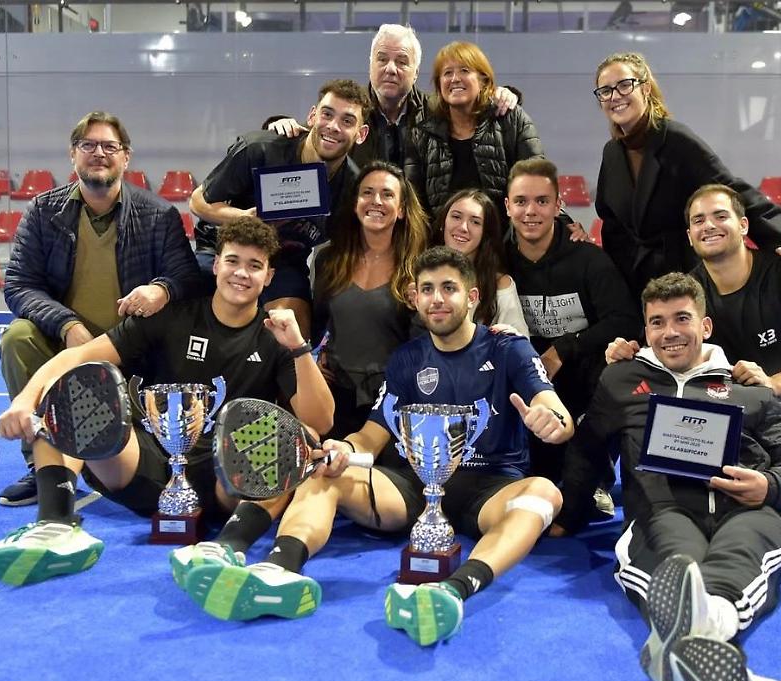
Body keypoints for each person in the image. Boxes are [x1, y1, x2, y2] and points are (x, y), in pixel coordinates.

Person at [181, 247, 574, 647]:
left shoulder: (508, 349)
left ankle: (453, 590)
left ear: (471, 298)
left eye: (449, 288)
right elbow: (371, 437)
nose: (437, 299)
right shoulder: (406, 359)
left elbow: (555, 411)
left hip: (489, 487)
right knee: (323, 471)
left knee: (544, 493)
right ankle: (279, 571)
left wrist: (551, 422)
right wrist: (343, 449)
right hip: (410, 485)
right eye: (427, 289)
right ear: (415, 298)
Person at [0, 217, 334, 587]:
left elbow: (322, 421)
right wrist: (25, 399)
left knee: (299, 438)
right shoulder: (171, 316)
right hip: (143, 462)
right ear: (216, 265)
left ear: (269, 276)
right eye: (232, 261)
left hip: (226, 481)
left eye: (254, 265)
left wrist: (298, 347)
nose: (241, 273)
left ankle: (228, 546)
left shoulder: (275, 336)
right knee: (73, 386)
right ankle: (56, 525)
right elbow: (77, 357)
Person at [562, 272, 781, 681]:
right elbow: (588, 450)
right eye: (657, 322)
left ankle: (692, 631)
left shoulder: (749, 388)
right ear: (645, 329)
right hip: (663, 510)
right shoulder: (620, 381)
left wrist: (768, 486)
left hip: (748, 510)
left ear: (706, 326)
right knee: (679, 562)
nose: (669, 332)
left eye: (682, 318)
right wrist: (565, 514)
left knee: (742, 547)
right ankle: (714, 639)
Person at [609, 185, 781, 533]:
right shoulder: (691, 292)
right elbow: (666, 348)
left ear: (743, 226)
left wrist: (773, 385)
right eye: (698, 220)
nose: (709, 225)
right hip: (743, 410)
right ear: (690, 235)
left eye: (720, 216)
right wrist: (626, 352)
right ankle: (779, 471)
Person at [0, 111, 208, 509]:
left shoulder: (159, 215)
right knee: (17, 337)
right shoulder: (43, 211)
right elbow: (19, 284)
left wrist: (161, 289)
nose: (99, 154)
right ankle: (44, 465)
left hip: (133, 349)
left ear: (126, 157)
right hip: (64, 343)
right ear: (72, 155)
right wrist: (67, 325)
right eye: (88, 146)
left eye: (110, 146)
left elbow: (189, 278)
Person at [592, 51, 781, 303]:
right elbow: (611, 221)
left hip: (684, 279)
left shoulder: (677, 139)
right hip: (633, 283)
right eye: (605, 90)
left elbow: (729, 190)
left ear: (645, 89)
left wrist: (780, 238)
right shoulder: (611, 152)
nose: (615, 96)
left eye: (625, 85)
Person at [503, 158, 639, 522]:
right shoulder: (496, 260)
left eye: (542, 201)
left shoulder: (589, 259)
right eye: (521, 201)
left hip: (584, 374)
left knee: (617, 375)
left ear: (558, 204)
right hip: (525, 378)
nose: (531, 211)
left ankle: (597, 476)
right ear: (507, 206)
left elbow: (624, 319)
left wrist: (564, 347)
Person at [188, 79, 372, 338]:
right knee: (188, 316)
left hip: (284, 263)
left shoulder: (353, 188)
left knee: (294, 336)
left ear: (361, 134)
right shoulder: (260, 148)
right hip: (223, 252)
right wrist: (244, 218)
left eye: (347, 121)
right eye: (327, 114)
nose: (333, 126)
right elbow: (197, 201)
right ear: (312, 115)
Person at [267, 24, 518, 170]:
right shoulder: (349, 112)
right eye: (382, 59)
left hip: (422, 236)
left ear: (416, 72)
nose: (390, 69)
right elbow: (315, 140)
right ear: (370, 64)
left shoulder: (438, 111)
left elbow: (474, 111)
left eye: (401, 61)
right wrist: (278, 124)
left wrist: (504, 95)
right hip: (355, 234)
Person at [312, 160, 429, 438]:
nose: (376, 201)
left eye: (387, 194)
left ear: (401, 210)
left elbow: (428, 346)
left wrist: (421, 310)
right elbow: (319, 323)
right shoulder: (329, 259)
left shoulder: (421, 268)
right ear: (355, 203)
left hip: (394, 401)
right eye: (367, 192)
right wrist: (317, 357)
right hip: (335, 397)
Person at [405, 40, 543, 219]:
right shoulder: (421, 130)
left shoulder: (511, 119)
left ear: (483, 80)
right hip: (440, 244)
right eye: (447, 73)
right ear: (439, 85)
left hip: (504, 242)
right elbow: (415, 204)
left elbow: (539, 182)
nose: (455, 79)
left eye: (464, 70)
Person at [432, 188, 528, 335]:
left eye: (475, 222)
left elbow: (522, 347)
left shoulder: (500, 284)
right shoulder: (420, 275)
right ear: (442, 223)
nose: (463, 228)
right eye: (456, 217)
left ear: (486, 233)